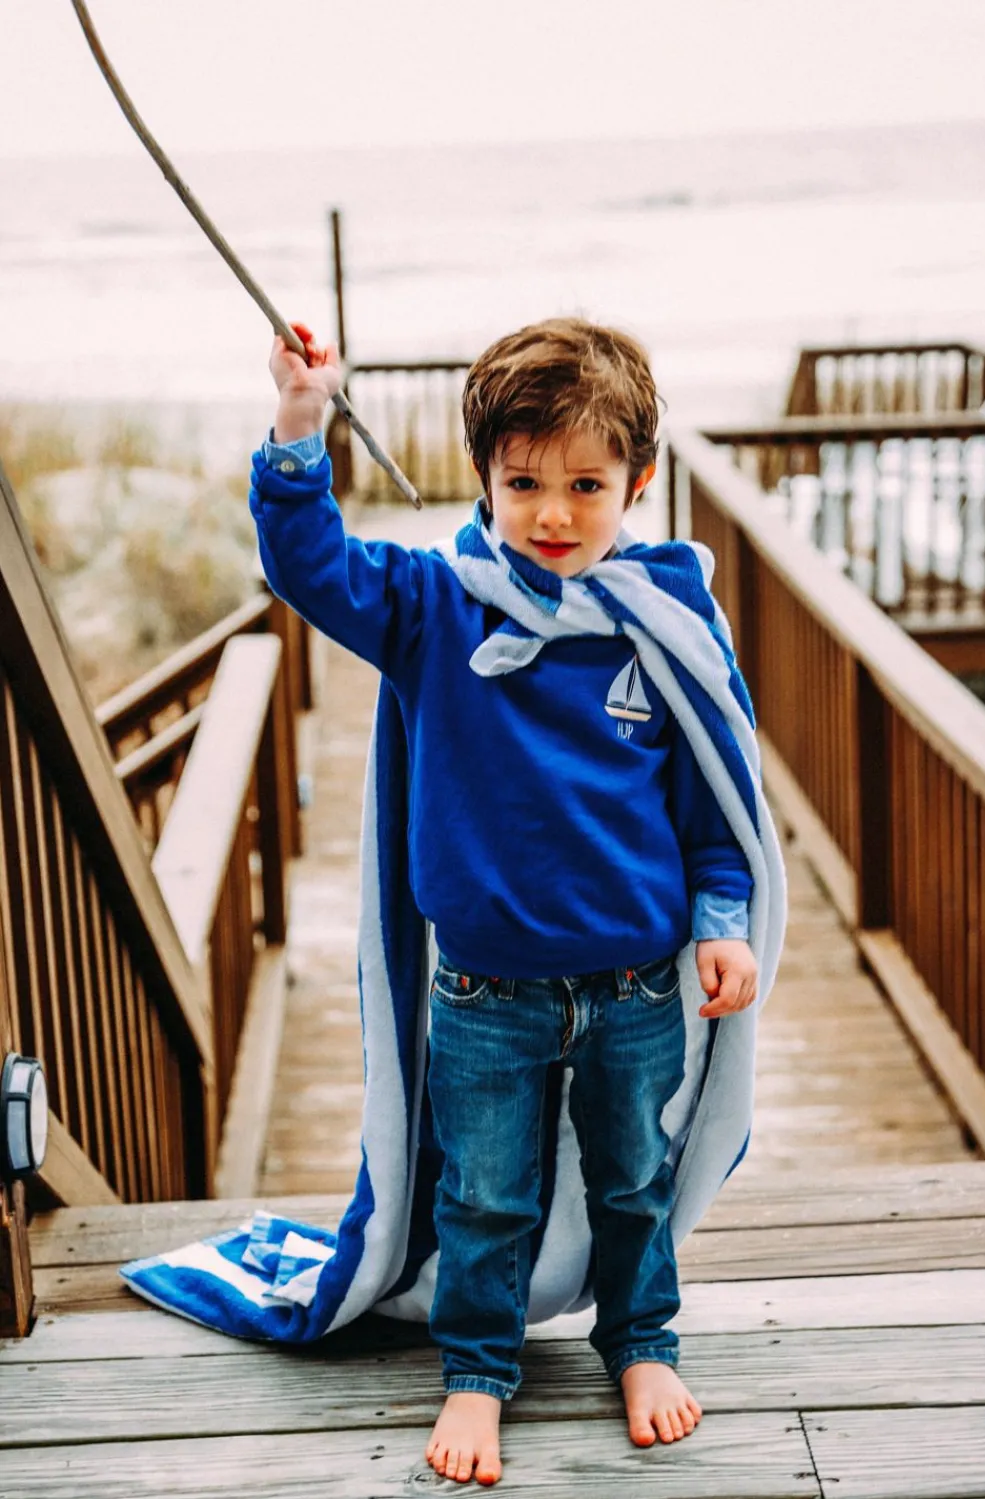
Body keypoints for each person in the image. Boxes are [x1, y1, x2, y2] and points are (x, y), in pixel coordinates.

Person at [249, 317, 760, 1487]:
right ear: (483, 475)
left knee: (634, 1182)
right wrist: (299, 422)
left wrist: (722, 922)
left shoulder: (663, 619)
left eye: (586, 485)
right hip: (485, 990)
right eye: (523, 482)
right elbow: (308, 566)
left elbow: (712, 798)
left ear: (637, 481)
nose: (553, 514)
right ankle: (479, 1368)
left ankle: (641, 1342)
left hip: (637, 982)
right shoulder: (434, 605)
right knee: (483, 1193)